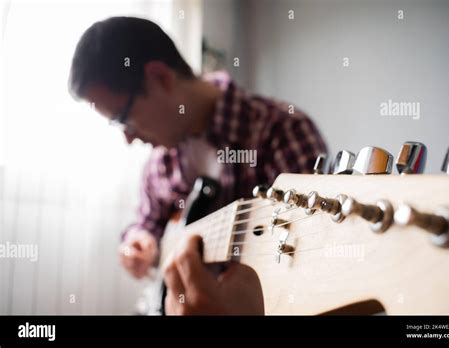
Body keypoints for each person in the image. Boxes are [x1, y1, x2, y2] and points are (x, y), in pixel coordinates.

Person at [69, 16, 326, 314]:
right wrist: (139, 242)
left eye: (122, 119)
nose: (128, 138)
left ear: (160, 78)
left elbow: (315, 256)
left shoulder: (280, 131)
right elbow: (146, 223)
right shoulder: (158, 163)